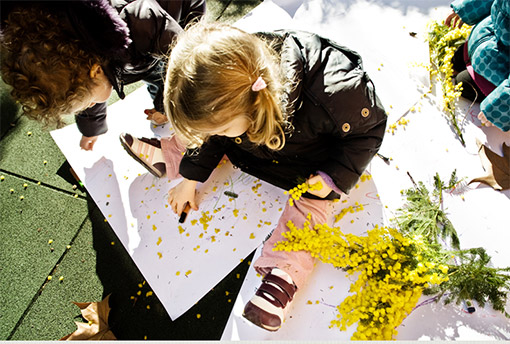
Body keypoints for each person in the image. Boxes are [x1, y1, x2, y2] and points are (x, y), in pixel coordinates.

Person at [121, 21, 387, 331]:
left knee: (313, 205)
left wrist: (332, 177)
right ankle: (173, 157)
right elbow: (214, 134)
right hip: (253, 144)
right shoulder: (229, 86)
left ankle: (284, 271)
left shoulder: (338, 94)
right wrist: (190, 178)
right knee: (205, 133)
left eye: (220, 127)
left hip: (311, 159)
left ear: (251, 105)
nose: (214, 133)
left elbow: (369, 131)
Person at [0, 0, 205, 150]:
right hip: (140, 53)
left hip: (180, 16)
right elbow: (86, 92)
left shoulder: (138, 22)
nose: (89, 106)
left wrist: (167, 105)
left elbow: (182, 63)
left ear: (95, 71)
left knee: (188, 76)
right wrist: (92, 128)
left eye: (87, 104)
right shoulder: (81, 63)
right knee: (154, 77)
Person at [445, 0, 510, 132]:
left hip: (501, 71)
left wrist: (499, 107)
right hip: (489, 36)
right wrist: (467, 8)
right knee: (455, 62)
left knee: (461, 84)